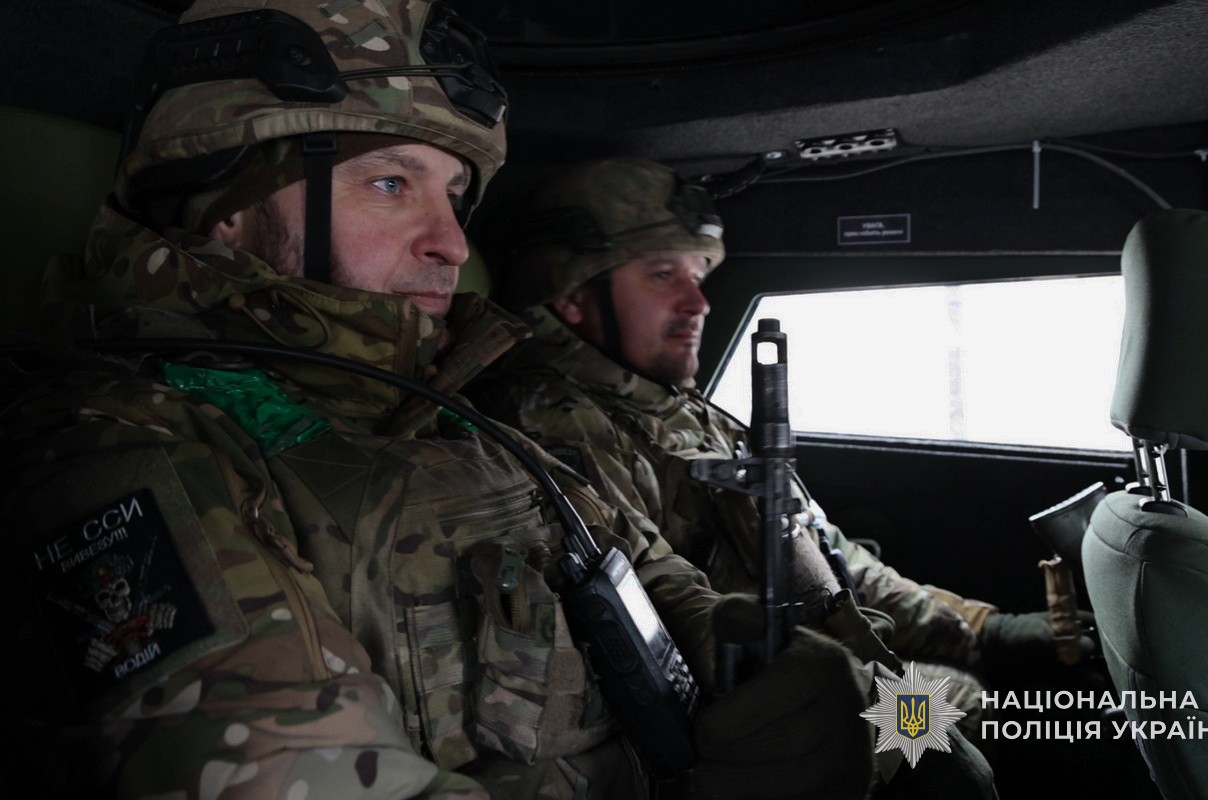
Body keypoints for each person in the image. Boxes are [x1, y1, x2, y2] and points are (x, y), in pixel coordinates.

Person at [1, 6, 882, 799]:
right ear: (226, 209)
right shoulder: (122, 439)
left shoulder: (453, 408)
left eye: (454, 195)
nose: (454, 243)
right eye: (391, 183)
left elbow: (633, 565)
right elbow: (287, 770)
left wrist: (735, 648)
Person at [468, 157, 1099, 747]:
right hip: (762, 715)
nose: (698, 302)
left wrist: (981, 631)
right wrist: (876, 698)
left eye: (697, 275)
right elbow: (669, 642)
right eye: (662, 274)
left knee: (1018, 701)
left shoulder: (680, 414)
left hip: (824, 664)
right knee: (988, 715)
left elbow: (822, 554)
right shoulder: (550, 434)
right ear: (571, 294)